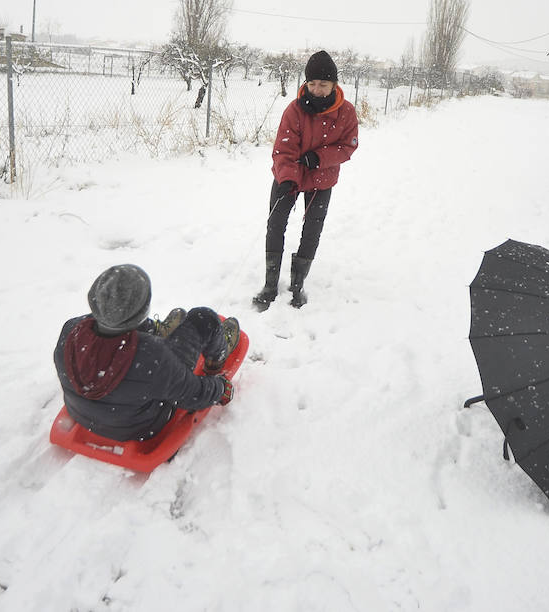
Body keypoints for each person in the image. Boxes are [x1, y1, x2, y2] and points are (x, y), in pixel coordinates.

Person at [54, 264, 240, 442]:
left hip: (83, 414)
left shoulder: (71, 330)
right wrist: (220, 389)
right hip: (140, 425)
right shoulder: (151, 357)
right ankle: (217, 359)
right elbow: (192, 395)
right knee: (203, 318)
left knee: (119, 329)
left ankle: (152, 329)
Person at [252, 50, 360, 309]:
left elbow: (349, 146)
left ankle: (297, 284)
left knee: (312, 230)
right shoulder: (294, 110)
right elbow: (283, 148)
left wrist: (320, 158)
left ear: (334, 84)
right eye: (312, 84)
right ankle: (270, 284)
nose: (317, 89)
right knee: (275, 224)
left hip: (322, 179)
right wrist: (288, 177)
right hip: (289, 175)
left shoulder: (346, 112)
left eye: (323, 84)